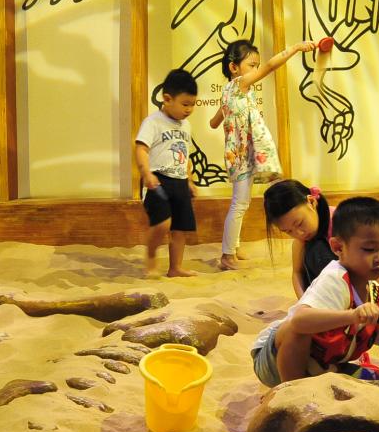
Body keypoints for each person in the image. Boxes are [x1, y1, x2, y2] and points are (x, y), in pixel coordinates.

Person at [250, 197, 379, 386]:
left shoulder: (378, 296)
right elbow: (298, 320)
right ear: (337, 247)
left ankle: (321, 379)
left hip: (322, 363)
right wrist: (352, 315)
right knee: (298, 326)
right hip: (274, 361)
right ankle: (290, 393)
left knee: (375, 381)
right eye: (369, 249)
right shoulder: (335, 278)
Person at [210, 37, 316, 271]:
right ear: (234, 67)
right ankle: (227, 255)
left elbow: (214, 122)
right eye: (251, 65)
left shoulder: (229, 92)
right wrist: (295, 48)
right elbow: (270, 67)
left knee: (242, 202)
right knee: (239, 203)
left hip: (238, 154)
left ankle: (234, 247)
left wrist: (224, 120)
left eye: (256, 65)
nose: (256, 70)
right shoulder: (239, 85)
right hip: (241, 155)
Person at [134, 69, 199, 278]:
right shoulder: (153, 122)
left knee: (180, 228)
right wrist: (146, 174)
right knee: (163, 224)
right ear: (167, 99)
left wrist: (189, 179)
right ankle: (151, 257)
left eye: (193, 104)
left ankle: (175, 267)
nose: (189, 109)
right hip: (158, 181)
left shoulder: (186, 125)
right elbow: (141, 149)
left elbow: (185, 153)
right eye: (185, 104)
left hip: (179, 181)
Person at [262, 179, 337, 298]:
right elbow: (297, 273)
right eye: (288, 231)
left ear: (311, 202)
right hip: (325, 300)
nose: (299, 233)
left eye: (300, 223)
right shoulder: (302, 239)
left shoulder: (342, 223)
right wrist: (303, 304)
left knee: (317, 250)